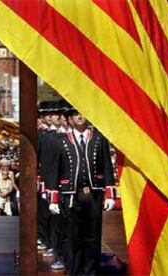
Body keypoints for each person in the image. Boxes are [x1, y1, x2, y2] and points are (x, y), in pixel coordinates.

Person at [57, 108, 116, 275]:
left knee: (93, 237)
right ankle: (75, 271)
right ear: (70, 119)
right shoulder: (62, 141)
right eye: (76, 114)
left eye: (82, 113)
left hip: (93, 194)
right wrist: (54, 196)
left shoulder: (98, 138)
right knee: (74, 237)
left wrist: (110, 193)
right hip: (72, 196)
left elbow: (107, 166)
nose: (80, 116)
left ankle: (92, 272)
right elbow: (57, 169)